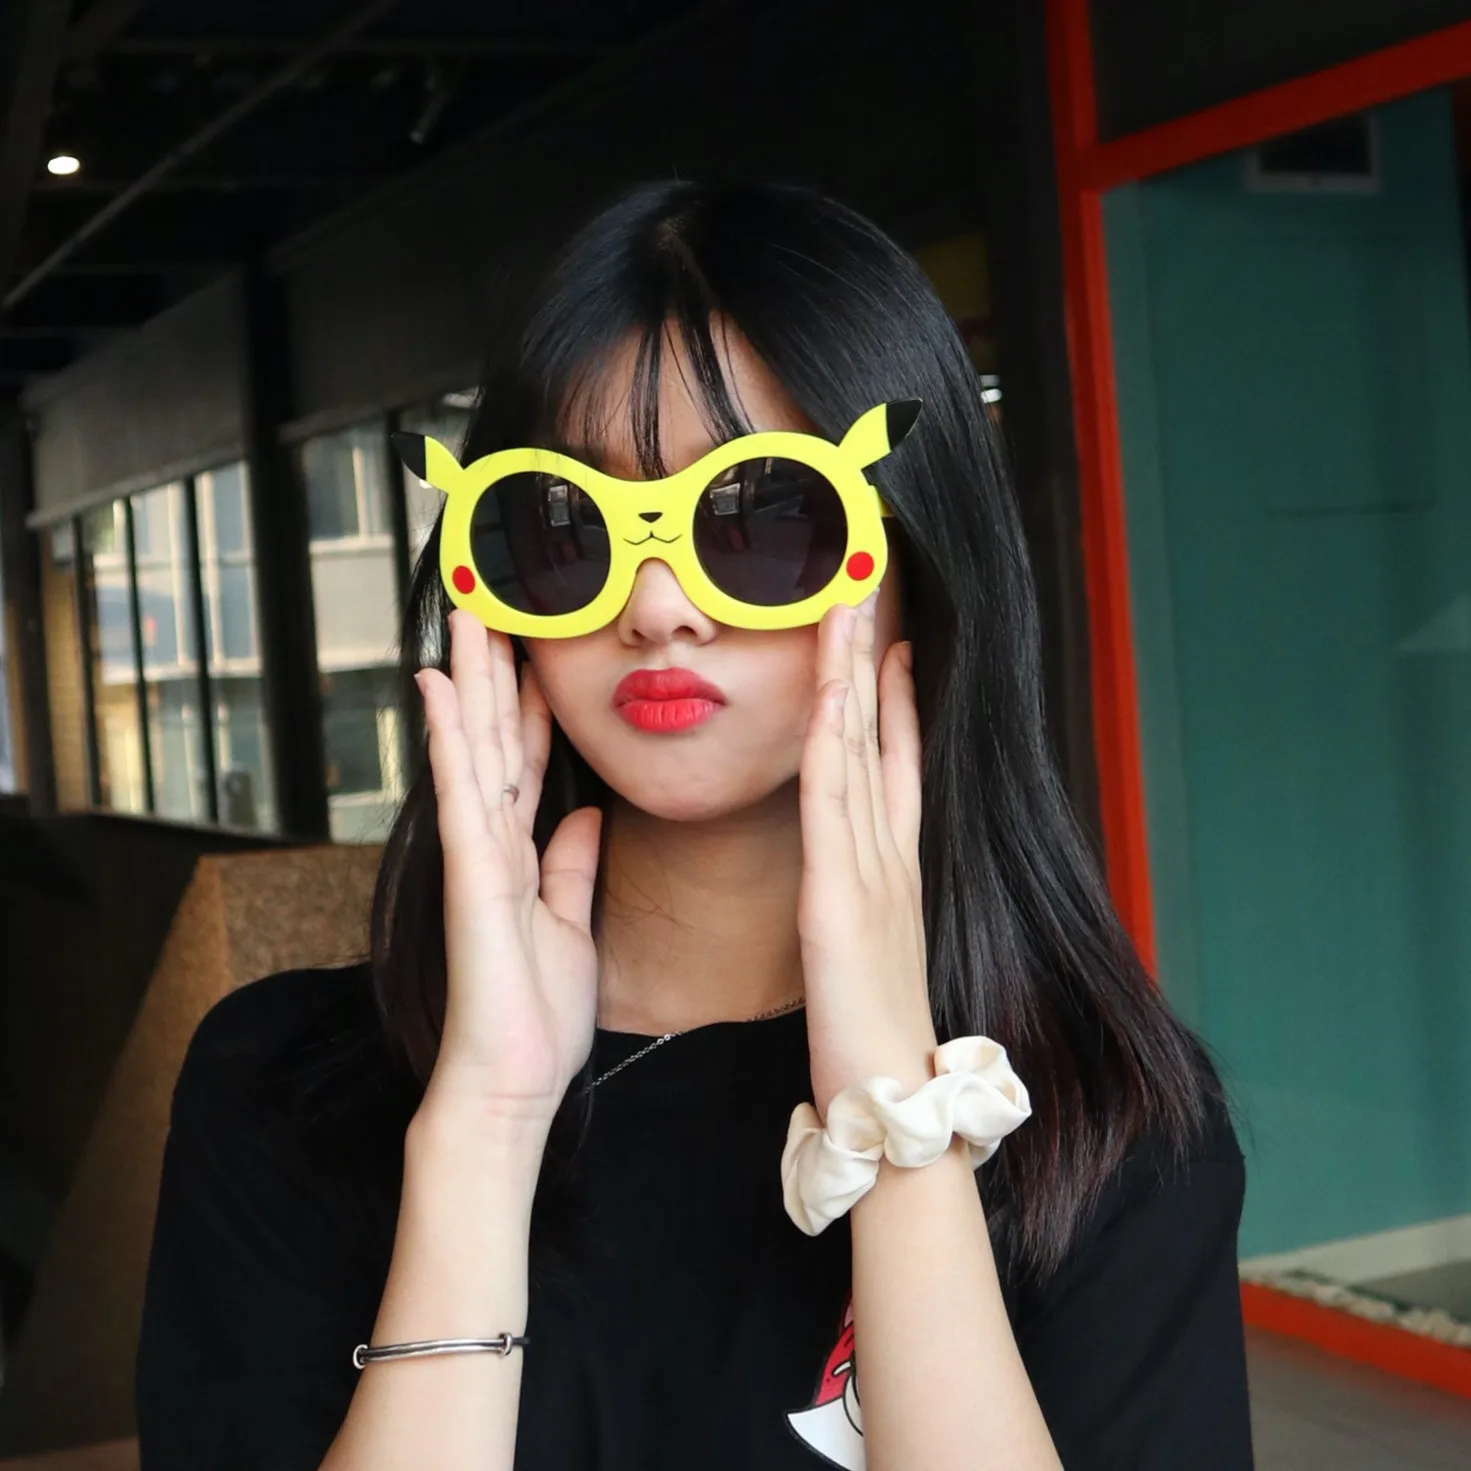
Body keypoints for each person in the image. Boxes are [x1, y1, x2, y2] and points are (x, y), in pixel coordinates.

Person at [135, 181, 1253, 1470]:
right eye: (568, 527)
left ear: (921, 568)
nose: (659, 605)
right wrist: (489, 1123)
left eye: (766, 515)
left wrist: (895, 1115)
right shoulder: (276, 1092)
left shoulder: (1107, 1125)